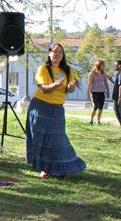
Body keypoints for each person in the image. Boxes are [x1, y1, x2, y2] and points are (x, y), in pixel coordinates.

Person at [26, 43, 86, 179]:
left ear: (63, 55)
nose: (57, 54)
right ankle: (44, 169)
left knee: (59, 140)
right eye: (55, 51)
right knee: (42, 140)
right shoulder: (43, 69)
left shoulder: (69, 70)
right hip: (40, 107)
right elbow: (44, 89)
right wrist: (56, 84)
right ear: (49, 53)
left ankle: (65, 169)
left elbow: (70, 90)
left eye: (60, 52)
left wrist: (72, 86)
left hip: (57, 109)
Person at [87, 60, 110, 125]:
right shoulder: (92, 73)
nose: (104, 66)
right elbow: (89, 83)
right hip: (94, 92)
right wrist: (87, 93)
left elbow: (106, 83)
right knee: (95, 106)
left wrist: (108, 91)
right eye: (103, 65)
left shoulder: (103, 73)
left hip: (102, 92)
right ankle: (91, 120)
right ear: (99, 65)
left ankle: (98, 121)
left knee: (101, 106)